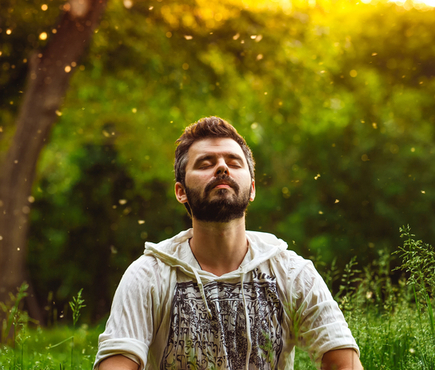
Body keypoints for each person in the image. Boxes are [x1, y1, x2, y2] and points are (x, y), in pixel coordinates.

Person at [95, 117, 362, 370]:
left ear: (253, 188)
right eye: (205, 163)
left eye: (233, 162)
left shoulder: (292, 272)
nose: (221, 167)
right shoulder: (148, 275)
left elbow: (343, 362)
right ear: (181, 192)